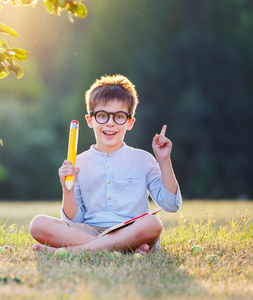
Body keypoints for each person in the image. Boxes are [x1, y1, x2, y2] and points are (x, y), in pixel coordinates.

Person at [29, 74, 182, 254]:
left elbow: (171, 205)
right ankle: (124, 250)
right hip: (90, 230)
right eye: (102, 115)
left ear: (130, 122)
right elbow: (75, 220)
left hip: (132, 229)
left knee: (152, 223)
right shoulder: (78, 162)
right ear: (90, 120)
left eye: (119, 117)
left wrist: (164, 160)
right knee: (38, 224)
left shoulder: (144, 159)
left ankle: (77, 251)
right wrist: (66, 187)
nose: (110, 123)